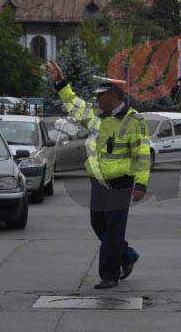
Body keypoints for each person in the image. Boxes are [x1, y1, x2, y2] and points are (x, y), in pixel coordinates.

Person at [44, 60, 150, 289]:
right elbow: (72, 103)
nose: (97, 100)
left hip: (121, 182)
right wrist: (61, 82)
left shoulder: (135, 122)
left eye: (100, 96)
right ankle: (128, 255)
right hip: (99, 182)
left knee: (113, 229)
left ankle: (109, 275)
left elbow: (142, 156)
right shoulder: (96, 115)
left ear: (113, 95)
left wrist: (141, 184)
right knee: (98, 225)